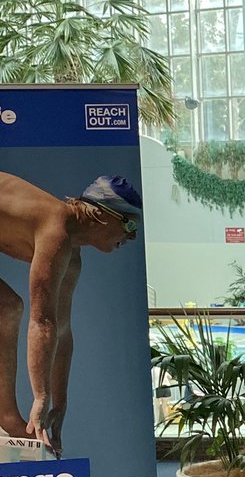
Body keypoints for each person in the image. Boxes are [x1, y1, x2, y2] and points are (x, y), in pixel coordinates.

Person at [0, 173, 141, 453]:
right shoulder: (56, 228)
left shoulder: (71, 256)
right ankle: (7, 417)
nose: (132, 235)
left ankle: (7, 417)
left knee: (6, 308)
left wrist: (59, 403)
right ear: (102, 215)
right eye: (129, 223)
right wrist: (40, 396)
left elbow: (61, 331)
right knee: (7, 308)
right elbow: (41, 322)